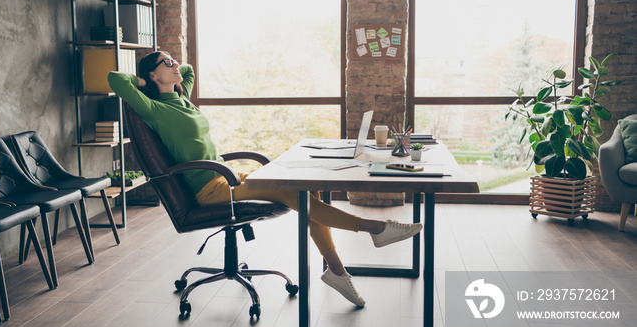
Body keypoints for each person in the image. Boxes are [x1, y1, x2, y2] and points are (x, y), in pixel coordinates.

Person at [108, 51, 422, 307]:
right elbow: (114, 79)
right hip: (211, 189)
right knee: (294, 195)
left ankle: (338, 271)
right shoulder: (154, 109)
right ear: (152, 75)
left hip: (229, 177)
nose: (176, 65)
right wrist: (140, 79)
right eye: (167, 63)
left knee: (302, 192)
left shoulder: (182, 98)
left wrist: (170, 69)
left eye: (173, 60)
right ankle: (374, 229)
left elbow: (188, 70)